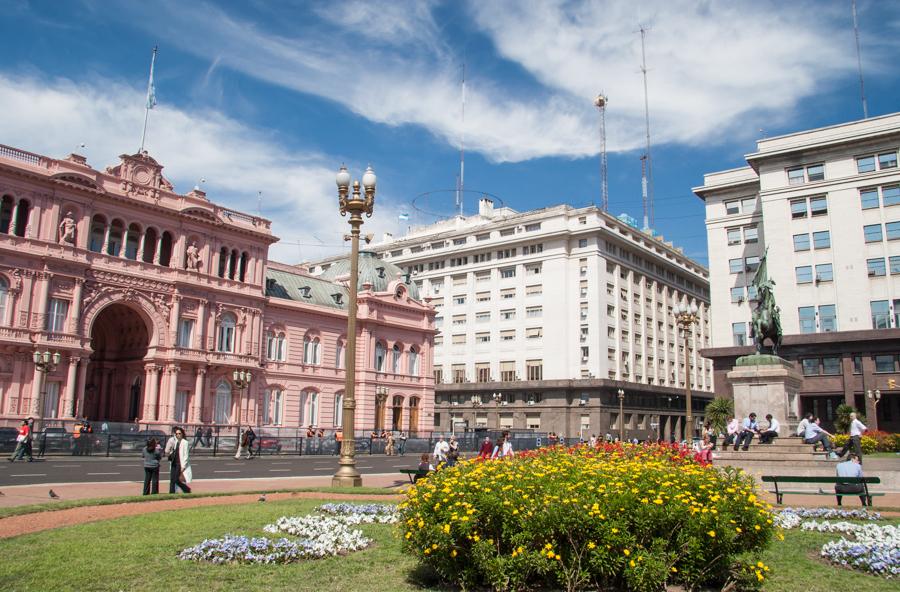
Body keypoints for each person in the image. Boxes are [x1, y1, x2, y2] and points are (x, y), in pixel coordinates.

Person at [167, 427, 192, 494]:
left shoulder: (185, 442)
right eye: (176, 434)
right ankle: (171, 493)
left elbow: (186, 455)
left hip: (179, 463)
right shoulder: (175, 441)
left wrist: (183, 466)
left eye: (179, 433)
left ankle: (186, 489)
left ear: (182, 434)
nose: (178, 435)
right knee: (172, 479)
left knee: (176, 479)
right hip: (173, 462)